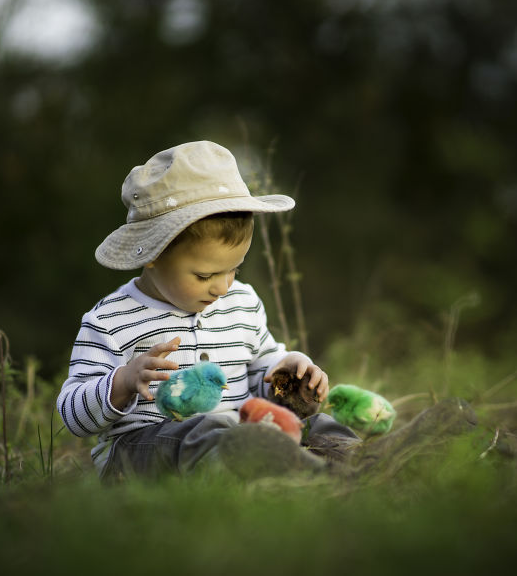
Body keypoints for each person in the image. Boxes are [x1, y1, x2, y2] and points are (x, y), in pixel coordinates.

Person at [56, 140, 360, 480]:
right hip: (141, 450)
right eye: (205, 275)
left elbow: (258, 374)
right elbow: (72, 415)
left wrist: (286, 379)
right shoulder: (110, 320)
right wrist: (123, 381)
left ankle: (358, 466)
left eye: (235, 270)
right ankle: (301, 475)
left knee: (313, 423)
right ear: (153, 254)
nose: (223, 286)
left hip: (238, 432)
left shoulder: (241, 303)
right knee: (204, 434)